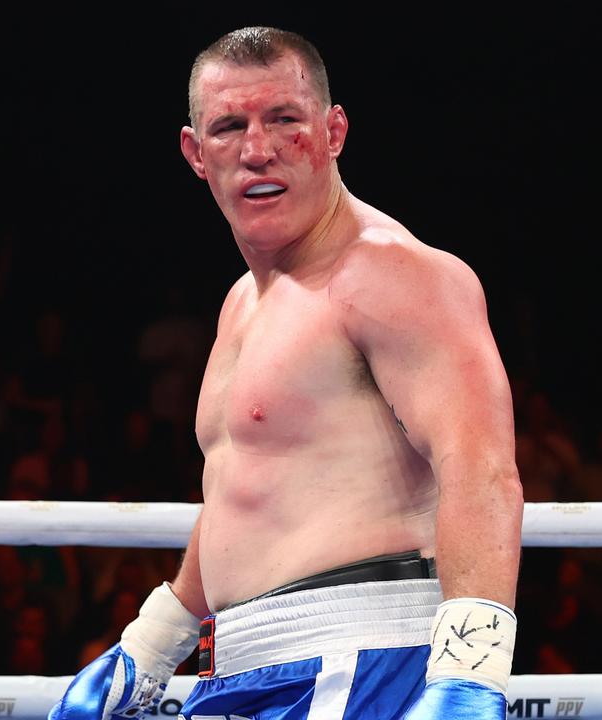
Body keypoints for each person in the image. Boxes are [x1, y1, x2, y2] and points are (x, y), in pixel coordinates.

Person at [51, 26, 522, 720]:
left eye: (284, 120)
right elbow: (248, 498)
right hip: (241, 664)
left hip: (355, 662)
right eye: (229, 127)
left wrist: (470, 672)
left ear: (333, 132)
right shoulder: (242, 303)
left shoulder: (391, 273)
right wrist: (150, 645)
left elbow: (480, 469)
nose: (258, 150)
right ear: (195, 153)